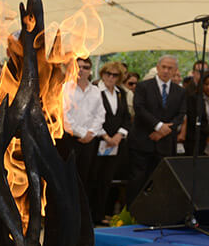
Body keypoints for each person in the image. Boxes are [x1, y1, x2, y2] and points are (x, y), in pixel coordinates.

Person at [126, 54, 188, 204]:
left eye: (170, 68)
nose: (166, 71)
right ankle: (133, 212)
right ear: (158, 67)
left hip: (165, 144)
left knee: (159, 179)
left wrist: (165, 131)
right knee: (138, 178)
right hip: (143, 141)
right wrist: (158, 126)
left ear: (175, 71)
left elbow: (181, 114)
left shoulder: (180, 91)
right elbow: (139, 109)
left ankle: (154, 211)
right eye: (163, 67)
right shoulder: (143, 86)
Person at [60, 56, 104, 219]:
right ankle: (66, 215)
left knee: (86, 178)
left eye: (85, 67)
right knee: (68, 178)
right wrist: (82, 133)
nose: (82, 70)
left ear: (90, 70)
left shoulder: (96, 91)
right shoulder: (65, 88)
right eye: (78, 67)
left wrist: (91, 133)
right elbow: (64, 115)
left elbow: (100, 115)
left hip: (90, 141)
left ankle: (81, 216)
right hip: (70, 139)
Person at [94, 61, 131, 221]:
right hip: (97, 140)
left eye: (115, 75)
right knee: (95, 178)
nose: (110, 77)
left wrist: (118, 136)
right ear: (102, 74)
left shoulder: (120, 92)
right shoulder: (96, 91)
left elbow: (126, 118)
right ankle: (93, 214)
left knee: (108, 179)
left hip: (116, 143)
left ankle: (103, 213)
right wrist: (105, 136)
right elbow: (92, 115)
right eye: (107, 74)